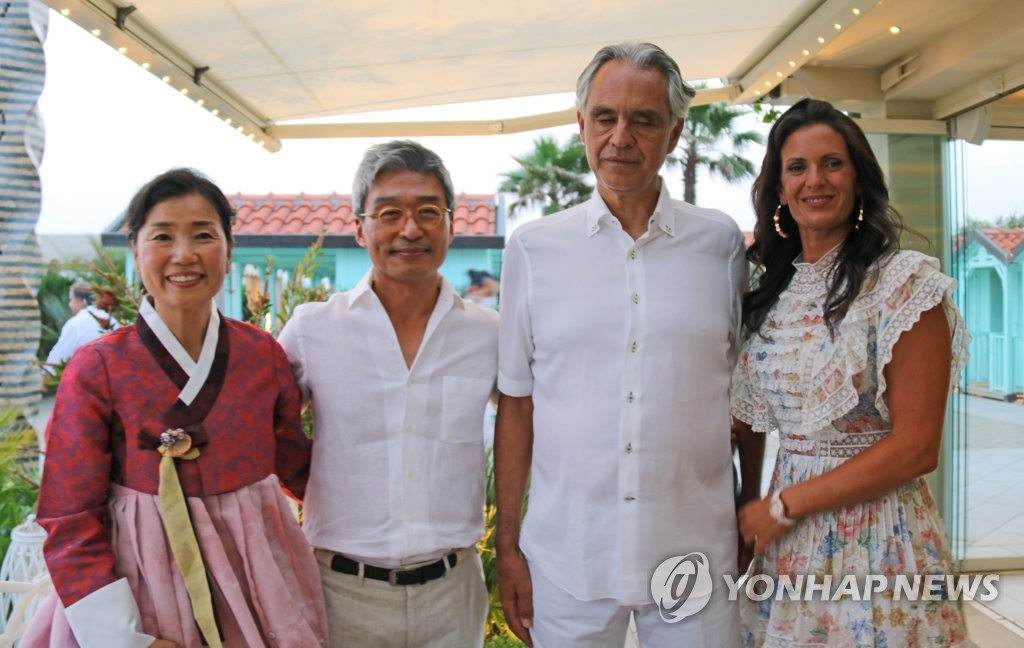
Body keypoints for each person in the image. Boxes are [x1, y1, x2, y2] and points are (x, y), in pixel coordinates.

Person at [495, 42, 746, 647]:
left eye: (644, 119)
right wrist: (507, 543)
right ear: (581, 124)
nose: (620, 136)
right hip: (567, 557)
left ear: (676, 132)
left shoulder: (721, 245)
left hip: (695, 556)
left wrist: (754, 510)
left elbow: (744, 398)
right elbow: (517, 403)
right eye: (605, 117)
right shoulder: (532, 249)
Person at [24, 168, 328, 647]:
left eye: (203, 235)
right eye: (163, 236)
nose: (184, 255)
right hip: (139, 585)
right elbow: (69, 513)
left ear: (228, 251)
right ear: (137, 251)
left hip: (257, 583)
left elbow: (302, 469)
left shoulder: (262, 356)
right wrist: (122, 638)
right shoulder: (98, 367)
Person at [732, 98, 971, 646]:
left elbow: (917, 448)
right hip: (787, 548)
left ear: (860, 178)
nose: (815, 180)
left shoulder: (904, 285)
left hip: (879, 541)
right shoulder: (773, 294)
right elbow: (751, 421)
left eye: (832, 163)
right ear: (779, 188)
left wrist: (783, 506)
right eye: (797, 167)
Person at [278, 140, 498, 647]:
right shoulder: (312, 330)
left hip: (453, 594)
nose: (410, 229)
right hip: (340, 594)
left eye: (428, 211)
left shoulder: (489, 334)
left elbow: (532, 427)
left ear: (450, 224)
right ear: (359, 227)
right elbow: (256, 425)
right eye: (389, 213)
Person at [43, 280, 118, 373]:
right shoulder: (113, 321)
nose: (69, 305)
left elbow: (56, 360)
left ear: (81, 301)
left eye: (71, 300)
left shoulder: (76, 324)